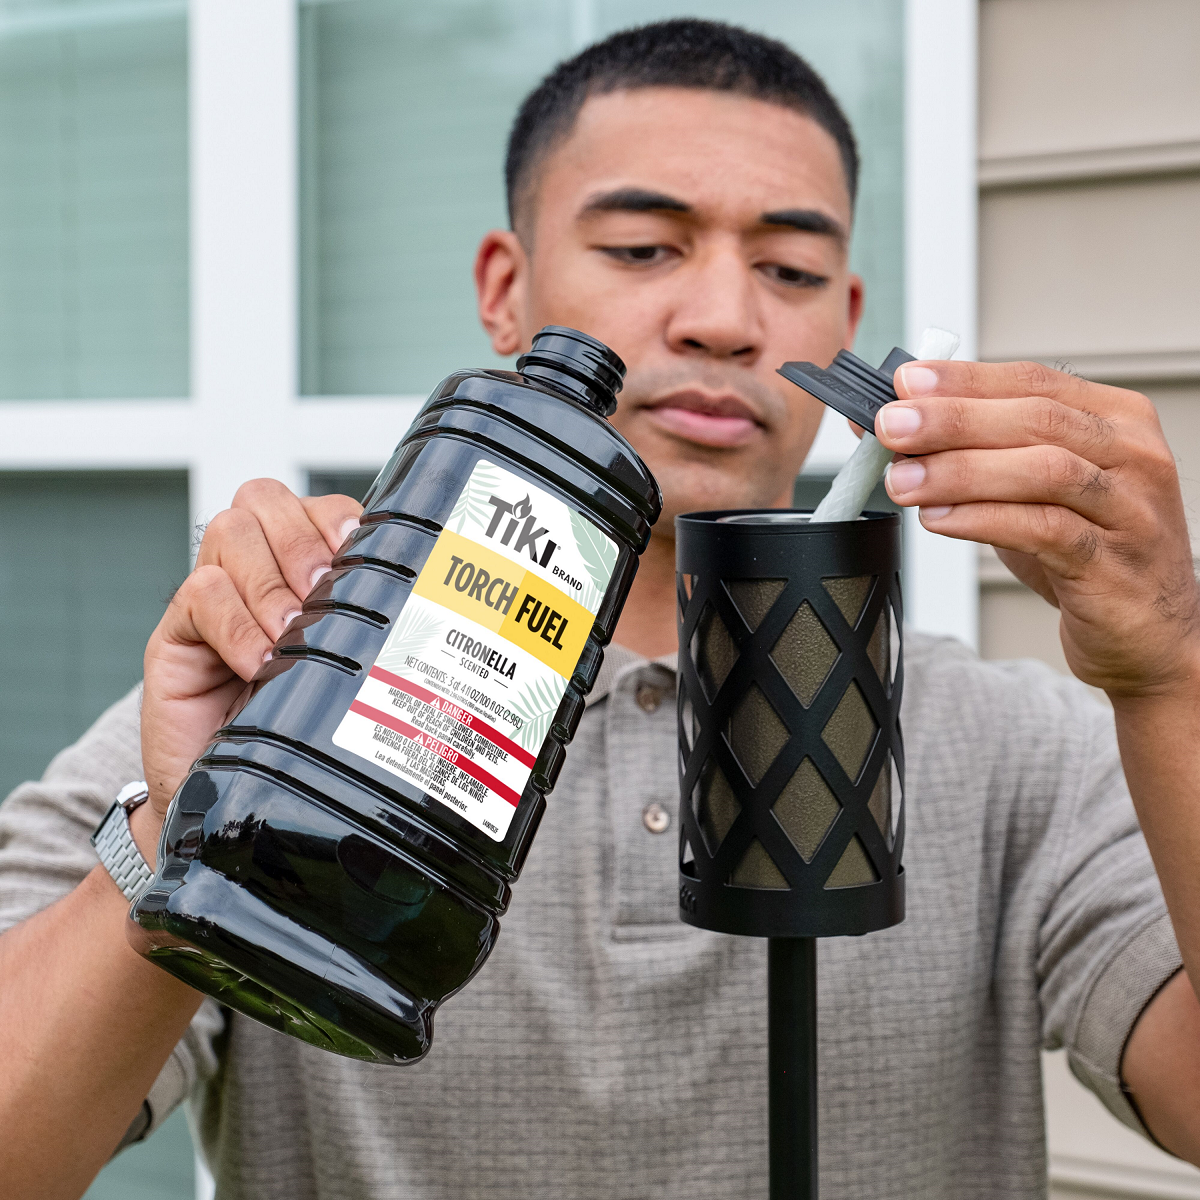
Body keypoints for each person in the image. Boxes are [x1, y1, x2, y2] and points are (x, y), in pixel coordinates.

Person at [3, 18, 1200, 1200]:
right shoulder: (292, 682)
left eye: (788, 269)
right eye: (642, 248)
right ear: (507, 292)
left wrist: (1168, 676)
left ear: (846, 313)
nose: (726, 317)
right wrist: (192, 833)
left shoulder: (1022, 756)